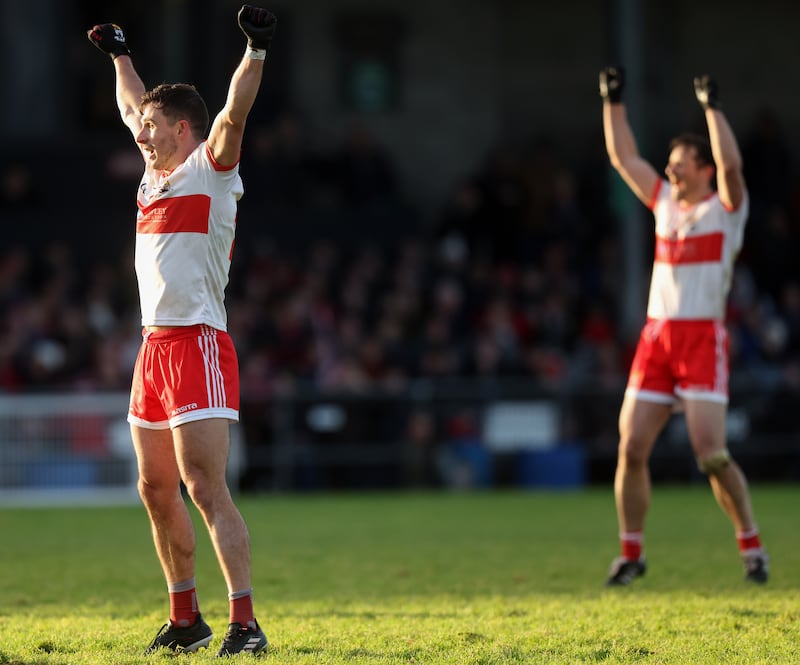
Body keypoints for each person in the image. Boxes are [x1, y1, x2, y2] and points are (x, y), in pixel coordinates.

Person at [87, 6, 276, 655]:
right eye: (141, 126)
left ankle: (245, 624)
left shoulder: (211, 169)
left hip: (197, 342)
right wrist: (119, 55)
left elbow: (233, 115)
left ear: (183, 129)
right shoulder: (152, 174)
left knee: (203, 485)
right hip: (153, 348)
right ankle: (185, 618)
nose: (140, 131)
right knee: (154, 487)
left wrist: (254, 49)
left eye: (152, 126)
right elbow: (132, 102)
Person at [598, 67, 769, 586]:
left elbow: (733, 165)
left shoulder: (725, 211)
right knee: (631, 447)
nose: (669, 173)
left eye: (679, 165)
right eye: (669, 165)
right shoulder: (666, 205)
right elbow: (624, 158)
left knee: (711, 455)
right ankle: (632, 553)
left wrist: (712, 109)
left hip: (700, 338)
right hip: (658, 337)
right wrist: (613, 101)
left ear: (701, 168)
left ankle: (751, 546)